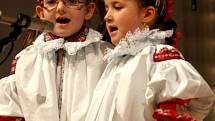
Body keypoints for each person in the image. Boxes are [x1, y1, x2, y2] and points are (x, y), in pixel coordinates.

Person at [85, 0, 215, 121]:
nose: (107, 16)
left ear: (147, 14)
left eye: (117, 7)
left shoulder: (157, 58)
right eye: (107, 8)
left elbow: (193, 101)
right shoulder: (117, 61)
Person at [0, 0, 113, 120]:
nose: (60, 8)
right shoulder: (25, 60)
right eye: (52, 2)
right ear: (41, 13)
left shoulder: (107, 56)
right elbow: (10, 111)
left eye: (72, 1)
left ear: (89, 10)